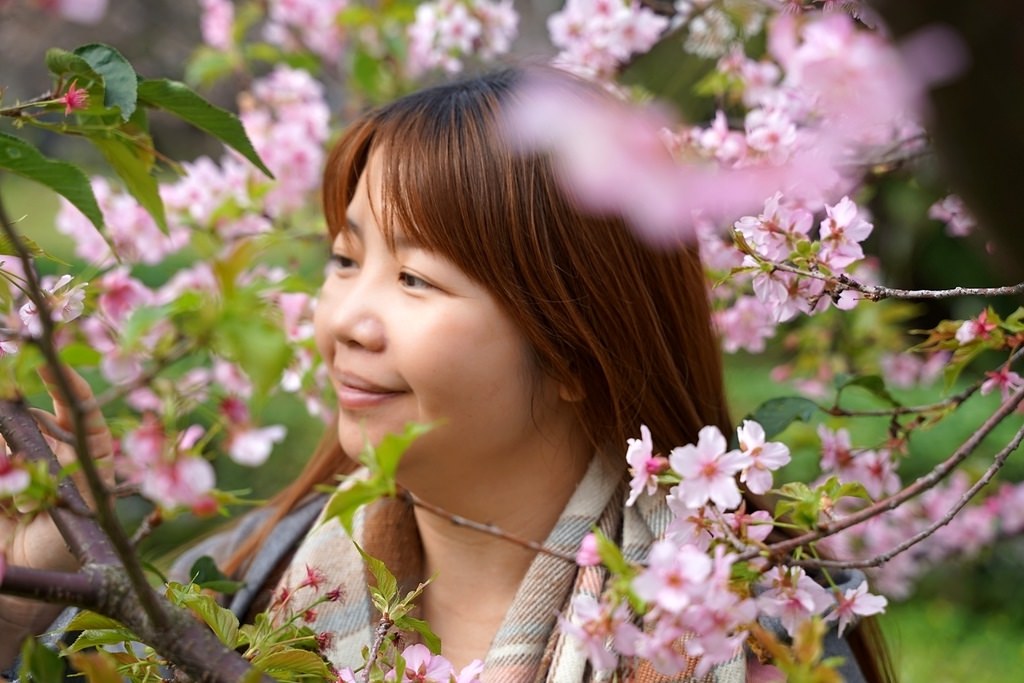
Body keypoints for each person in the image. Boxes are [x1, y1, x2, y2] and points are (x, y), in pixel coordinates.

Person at [0, 68, 894, 682]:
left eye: (416, 278)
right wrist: (18, 597)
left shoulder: (747, 624)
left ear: (574, 344)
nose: (346, 317)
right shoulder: (258, 593)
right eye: (346, 260)